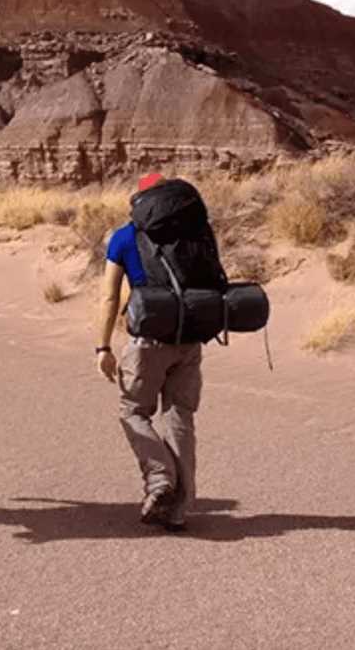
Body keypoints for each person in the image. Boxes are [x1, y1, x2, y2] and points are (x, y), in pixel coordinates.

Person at [94, 172, 228, 532]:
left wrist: (103, 345)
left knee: (133, 411)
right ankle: (180, 508)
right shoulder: (198, 233)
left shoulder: (124, 236)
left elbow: (109, 296)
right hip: (190, 339)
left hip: (147, 341)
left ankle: (159, 480)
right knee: (179, 416)